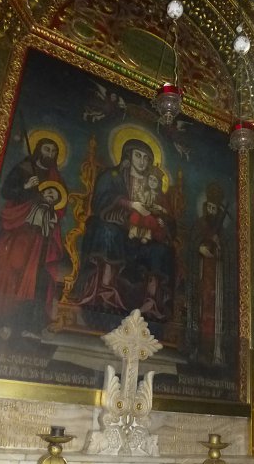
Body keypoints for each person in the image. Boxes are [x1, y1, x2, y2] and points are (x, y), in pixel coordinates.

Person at [74, 138, 174, 319]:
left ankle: (152, 302)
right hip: (116, 226)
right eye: (138, 156)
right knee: (108, 232)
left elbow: (166, 214)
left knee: (161, 250)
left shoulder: (153, 183)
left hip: (143, 237)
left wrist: (160, 220)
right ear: (129, 155)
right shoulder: (113, 176)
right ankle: (106, 291)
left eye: (146, 158)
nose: (142, 161)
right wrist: (130, 205)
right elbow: (100, 202)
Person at [0, 137, 67, 331]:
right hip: (17, 224)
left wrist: (50, 210)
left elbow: (61, 205)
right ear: (38, 150)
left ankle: (26, 321)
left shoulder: (55, 177)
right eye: (47, 149)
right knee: (8, 265)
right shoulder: (24, 168)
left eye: (54, 151)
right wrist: (26, 187)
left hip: (40, 236)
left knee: (35, 275)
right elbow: (7, 192)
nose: (50, 154)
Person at [191, 182, 228, 364]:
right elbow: (192, 243)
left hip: (216, 276)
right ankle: (198, 349)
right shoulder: (199, 224)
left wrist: (218, 245)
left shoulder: (222, 231)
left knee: (214, 310)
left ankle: (216, 351)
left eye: (215, 208)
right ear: (206, 207)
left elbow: (226, 253)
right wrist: (200, 248)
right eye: (210, 207)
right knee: (201, 307)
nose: (212, 211)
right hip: (201, 271)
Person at [128, 165, 170, 244]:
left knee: (149, 220)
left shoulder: (161, 197)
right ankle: (134, 232)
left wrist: (160, 210)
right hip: (143, 212)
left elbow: (167, 212)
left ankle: (147, 236)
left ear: (159, 183)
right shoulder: (144, 193)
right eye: (150, 179)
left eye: (155, 180)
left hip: (154, 216)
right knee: (135, 215)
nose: (152, 182)